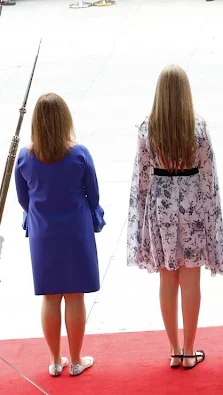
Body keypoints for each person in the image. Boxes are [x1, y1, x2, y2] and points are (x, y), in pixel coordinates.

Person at [127, 64, 223, 370]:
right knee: (191, 279)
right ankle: (189, 349)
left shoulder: (148, 127)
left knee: (167, 279)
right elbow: (208, 175)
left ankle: (173, 349)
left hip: (161, 209)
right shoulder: (198, 127)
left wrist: (142, 213)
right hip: (192, 207)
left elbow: (141, 177)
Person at [15, 93, 103, 377]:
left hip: (44, 232)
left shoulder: (26, 157)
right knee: (75, 295)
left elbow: (23, 199)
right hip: (75, 230)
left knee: (50, 297)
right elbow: (93, 194)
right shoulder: (79, 154)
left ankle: (55, 360)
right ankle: (76, 360)